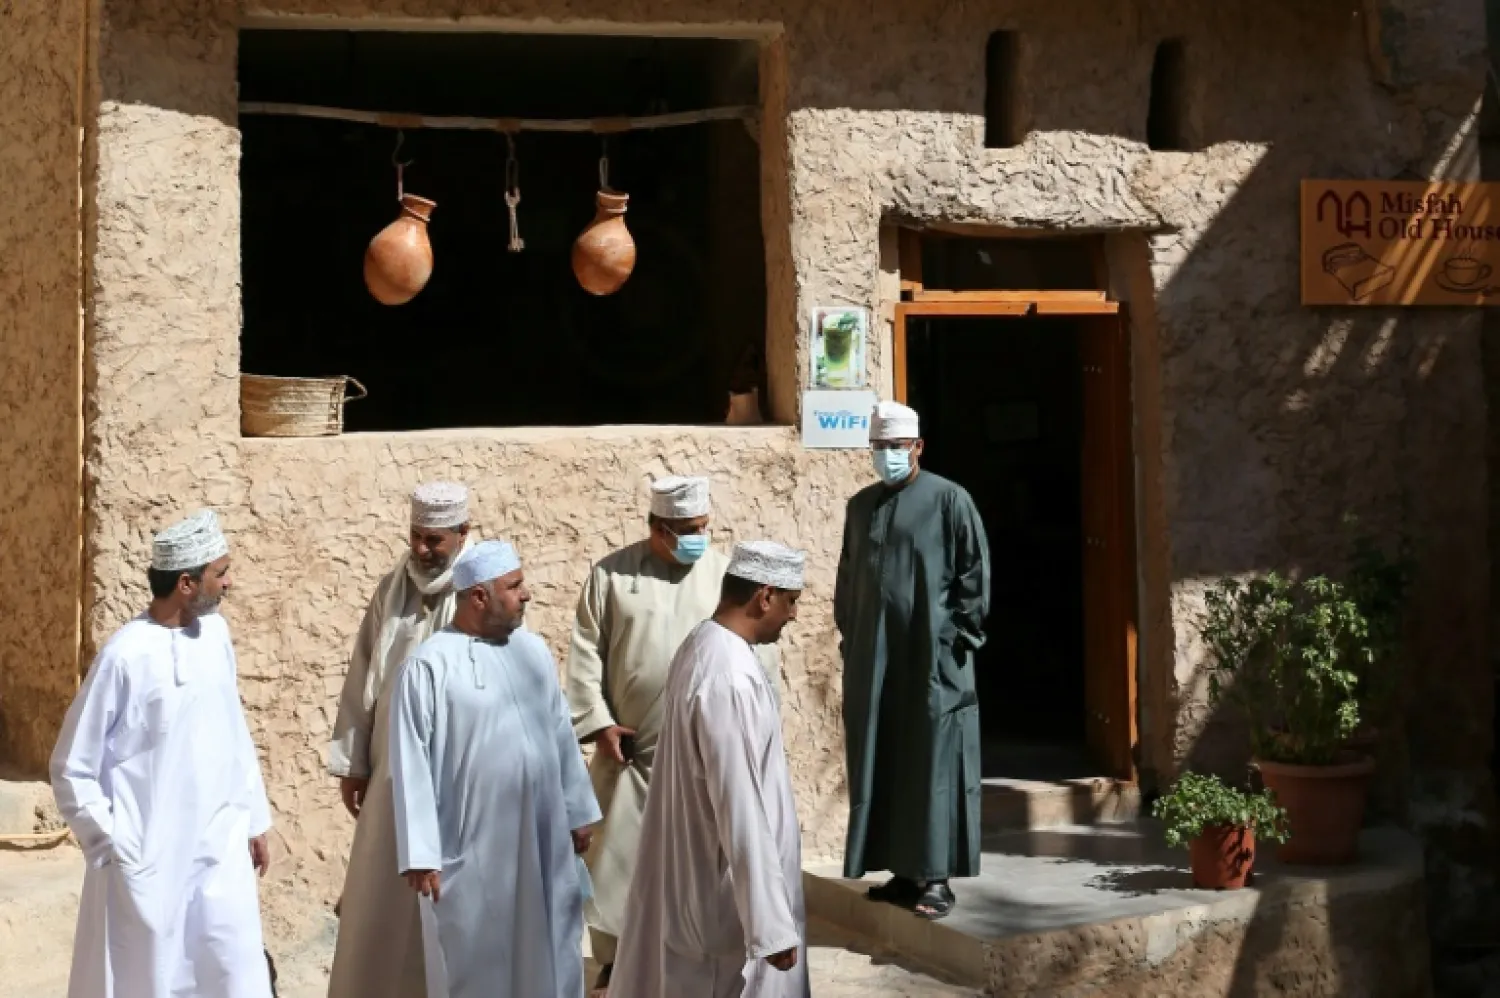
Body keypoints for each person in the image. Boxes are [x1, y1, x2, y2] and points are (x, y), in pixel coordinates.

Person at [566, 475, 779, 995]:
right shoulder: (612, 576)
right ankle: (618, 973)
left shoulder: (726, 576)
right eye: (686, 529)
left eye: (703, 527)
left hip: (700, 766)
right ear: (657, 529)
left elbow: (755, 655)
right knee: (620, 878)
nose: (697, 538)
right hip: (632, 760)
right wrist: (598, 723)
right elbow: (585, 654)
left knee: (696, 882)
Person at [51, 509, 274, 998]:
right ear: (187, 583)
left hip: (219, 848)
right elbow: (71, 766)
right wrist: (111, 842)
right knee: (148, 977)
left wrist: (255, 820)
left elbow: (233, 731)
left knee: (229, 966)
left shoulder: (215, 636)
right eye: (221, 573)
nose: (230, 583)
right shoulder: (125, 656)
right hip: (148, 855)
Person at [390, 540, 602, 998]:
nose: (526, 594)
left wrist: (578, 809)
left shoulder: (532, 651)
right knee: (477, 963)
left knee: (552, 947)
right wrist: (421, 853)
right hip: (471, 846)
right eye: (515, 586)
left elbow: (560, 732)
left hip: (543, 838)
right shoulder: (428, 666)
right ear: (478, 597)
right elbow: (411, 762)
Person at [610, 541, 809, 998]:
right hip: (722, 900)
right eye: (791, 600)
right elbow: (738, 802)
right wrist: (771, 924)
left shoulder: (704, 645)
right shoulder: (728, 675)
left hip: (703, 885)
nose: (793, 615)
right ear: (764, 596)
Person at [835, 400, 991, 921]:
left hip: (932, 661)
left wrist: (955, 644)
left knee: (933, 763)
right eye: (879, 448)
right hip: (875, 662)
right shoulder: (860, 506)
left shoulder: (951, 500)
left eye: (896, 448)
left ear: (918, 446)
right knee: (884, 758)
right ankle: (901, 871)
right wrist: (854, 641)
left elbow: (974, 578)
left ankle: (936, 877)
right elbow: (847, 580)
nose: (887, 456)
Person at [327, 481, 475, 998]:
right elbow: (363, 670)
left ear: (462, 534)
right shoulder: (393, 587)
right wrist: (353, 762)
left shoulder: (479, 591)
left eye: (434, 540)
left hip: (457, 774)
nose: (421, 549)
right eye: (415, 536)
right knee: (382, 900)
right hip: (391, 771)